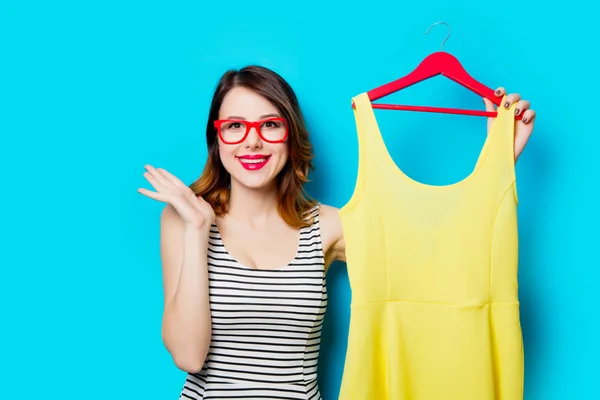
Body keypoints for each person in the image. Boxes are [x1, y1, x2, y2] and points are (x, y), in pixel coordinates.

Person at [137, 65, 536, 399]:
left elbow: (440, 256)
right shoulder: (185, 218)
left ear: (290, 135)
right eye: (235, 126)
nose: (252, 141)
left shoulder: (327, 225)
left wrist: (497, 160)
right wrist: (197, 228)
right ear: (216, 137)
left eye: (270, 124)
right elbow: (188, 355)